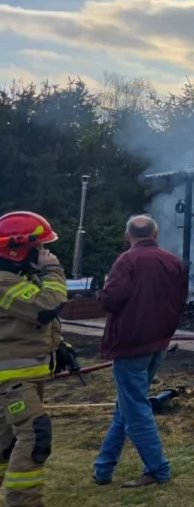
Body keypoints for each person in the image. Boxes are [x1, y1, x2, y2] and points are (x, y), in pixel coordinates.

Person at [92, 215, 188, 489]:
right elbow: (181, 299)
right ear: (155, 234)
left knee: (135, 410)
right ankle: (103, 468)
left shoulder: (127, 261)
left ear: (127, 236)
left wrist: (102, 290)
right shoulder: (172, 261)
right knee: (126, 406)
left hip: (131, 345)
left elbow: (110, 301)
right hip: (158, 344)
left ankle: (158, 470)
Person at [0, 211, 71, 507]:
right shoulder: (3, 281)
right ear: (18, 248)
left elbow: (32, 324)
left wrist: (61, 346)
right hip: (12, 382)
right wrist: (53, 270)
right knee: (34, 434)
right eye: (40, 247)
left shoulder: (16, 277)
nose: (45, 253)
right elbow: (45, 307)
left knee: (6, 445)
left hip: (21, 377)